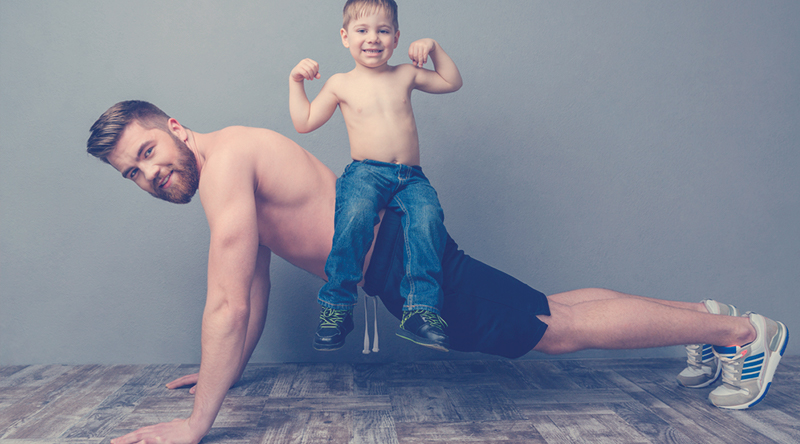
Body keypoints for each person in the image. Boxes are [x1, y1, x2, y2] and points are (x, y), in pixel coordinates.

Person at [87, 101, 788, 444]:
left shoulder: (227, 164)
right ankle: (705, 316)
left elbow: (226, 303)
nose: (151, 173)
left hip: (404, 261)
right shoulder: (233, 166)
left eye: (149, 150)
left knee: (557, 330)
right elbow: (256, 284)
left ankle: (742, 333)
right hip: (400, 252)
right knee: (551, 308)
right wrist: (226, 375)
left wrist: (194, 423)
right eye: (133, 173)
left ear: (175, 126)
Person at [289, 0, 462, 352]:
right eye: (363, 30)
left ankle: (420, 309)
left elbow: (451, 82)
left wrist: (433, 47)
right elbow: (304, 122)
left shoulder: (405, 74)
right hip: (366, 173)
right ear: (345, 37)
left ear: (397, 38)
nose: (373, 38)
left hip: (410, 177)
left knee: (428, 219)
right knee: (353, 218)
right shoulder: (340, 83)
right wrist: (296, 82)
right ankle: (337, 306)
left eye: (383, 31)